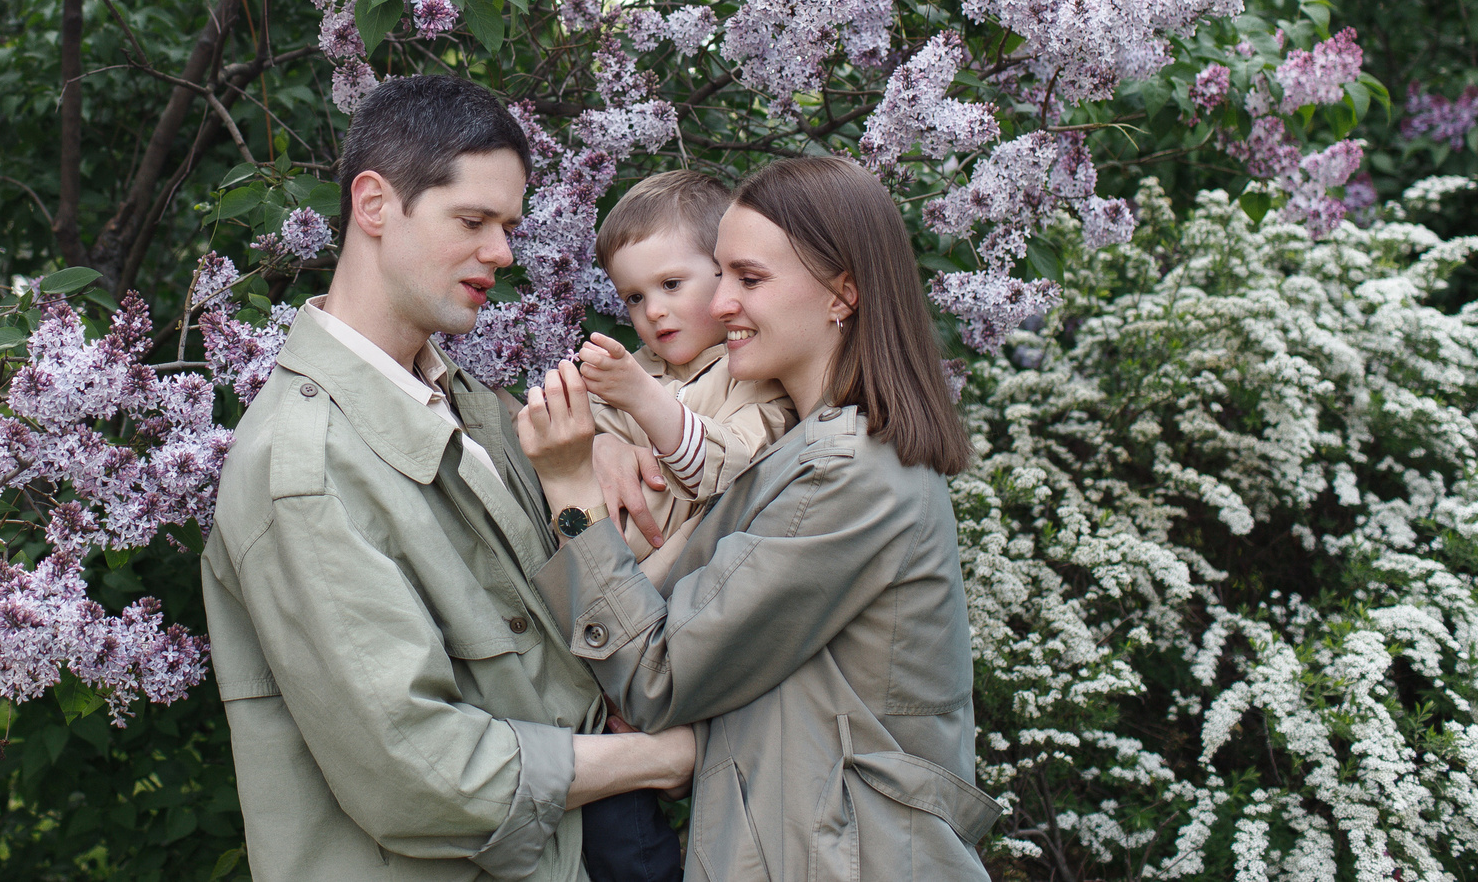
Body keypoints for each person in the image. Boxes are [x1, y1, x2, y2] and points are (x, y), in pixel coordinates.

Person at [201, 74, 697, 882]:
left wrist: (601, 444)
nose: (503, 253)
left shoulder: (466, 405)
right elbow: (425, 772)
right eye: (472, 220)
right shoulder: (303, 468)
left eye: (507, 225)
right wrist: (654, 758)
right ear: (373, 205)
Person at [514, 155, 1000, 881]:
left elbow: (659, 677)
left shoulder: (848, 477)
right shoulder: (800, 454)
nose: (722, 302)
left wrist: (573, 494)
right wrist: (611, 440)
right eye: (721, 273)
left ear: (843, 293)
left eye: (750, 277)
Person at [571, 169, 797, 882]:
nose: (653, 312)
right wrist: (600, 440)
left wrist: (643, 402)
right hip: (596, 636)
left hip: (673, 638)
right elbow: (551, 455)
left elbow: (719, 468)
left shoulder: (752, 377)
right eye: (634, 296)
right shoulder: (635, 371)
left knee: (654, 841)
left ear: (726, 277)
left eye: (672, 284)